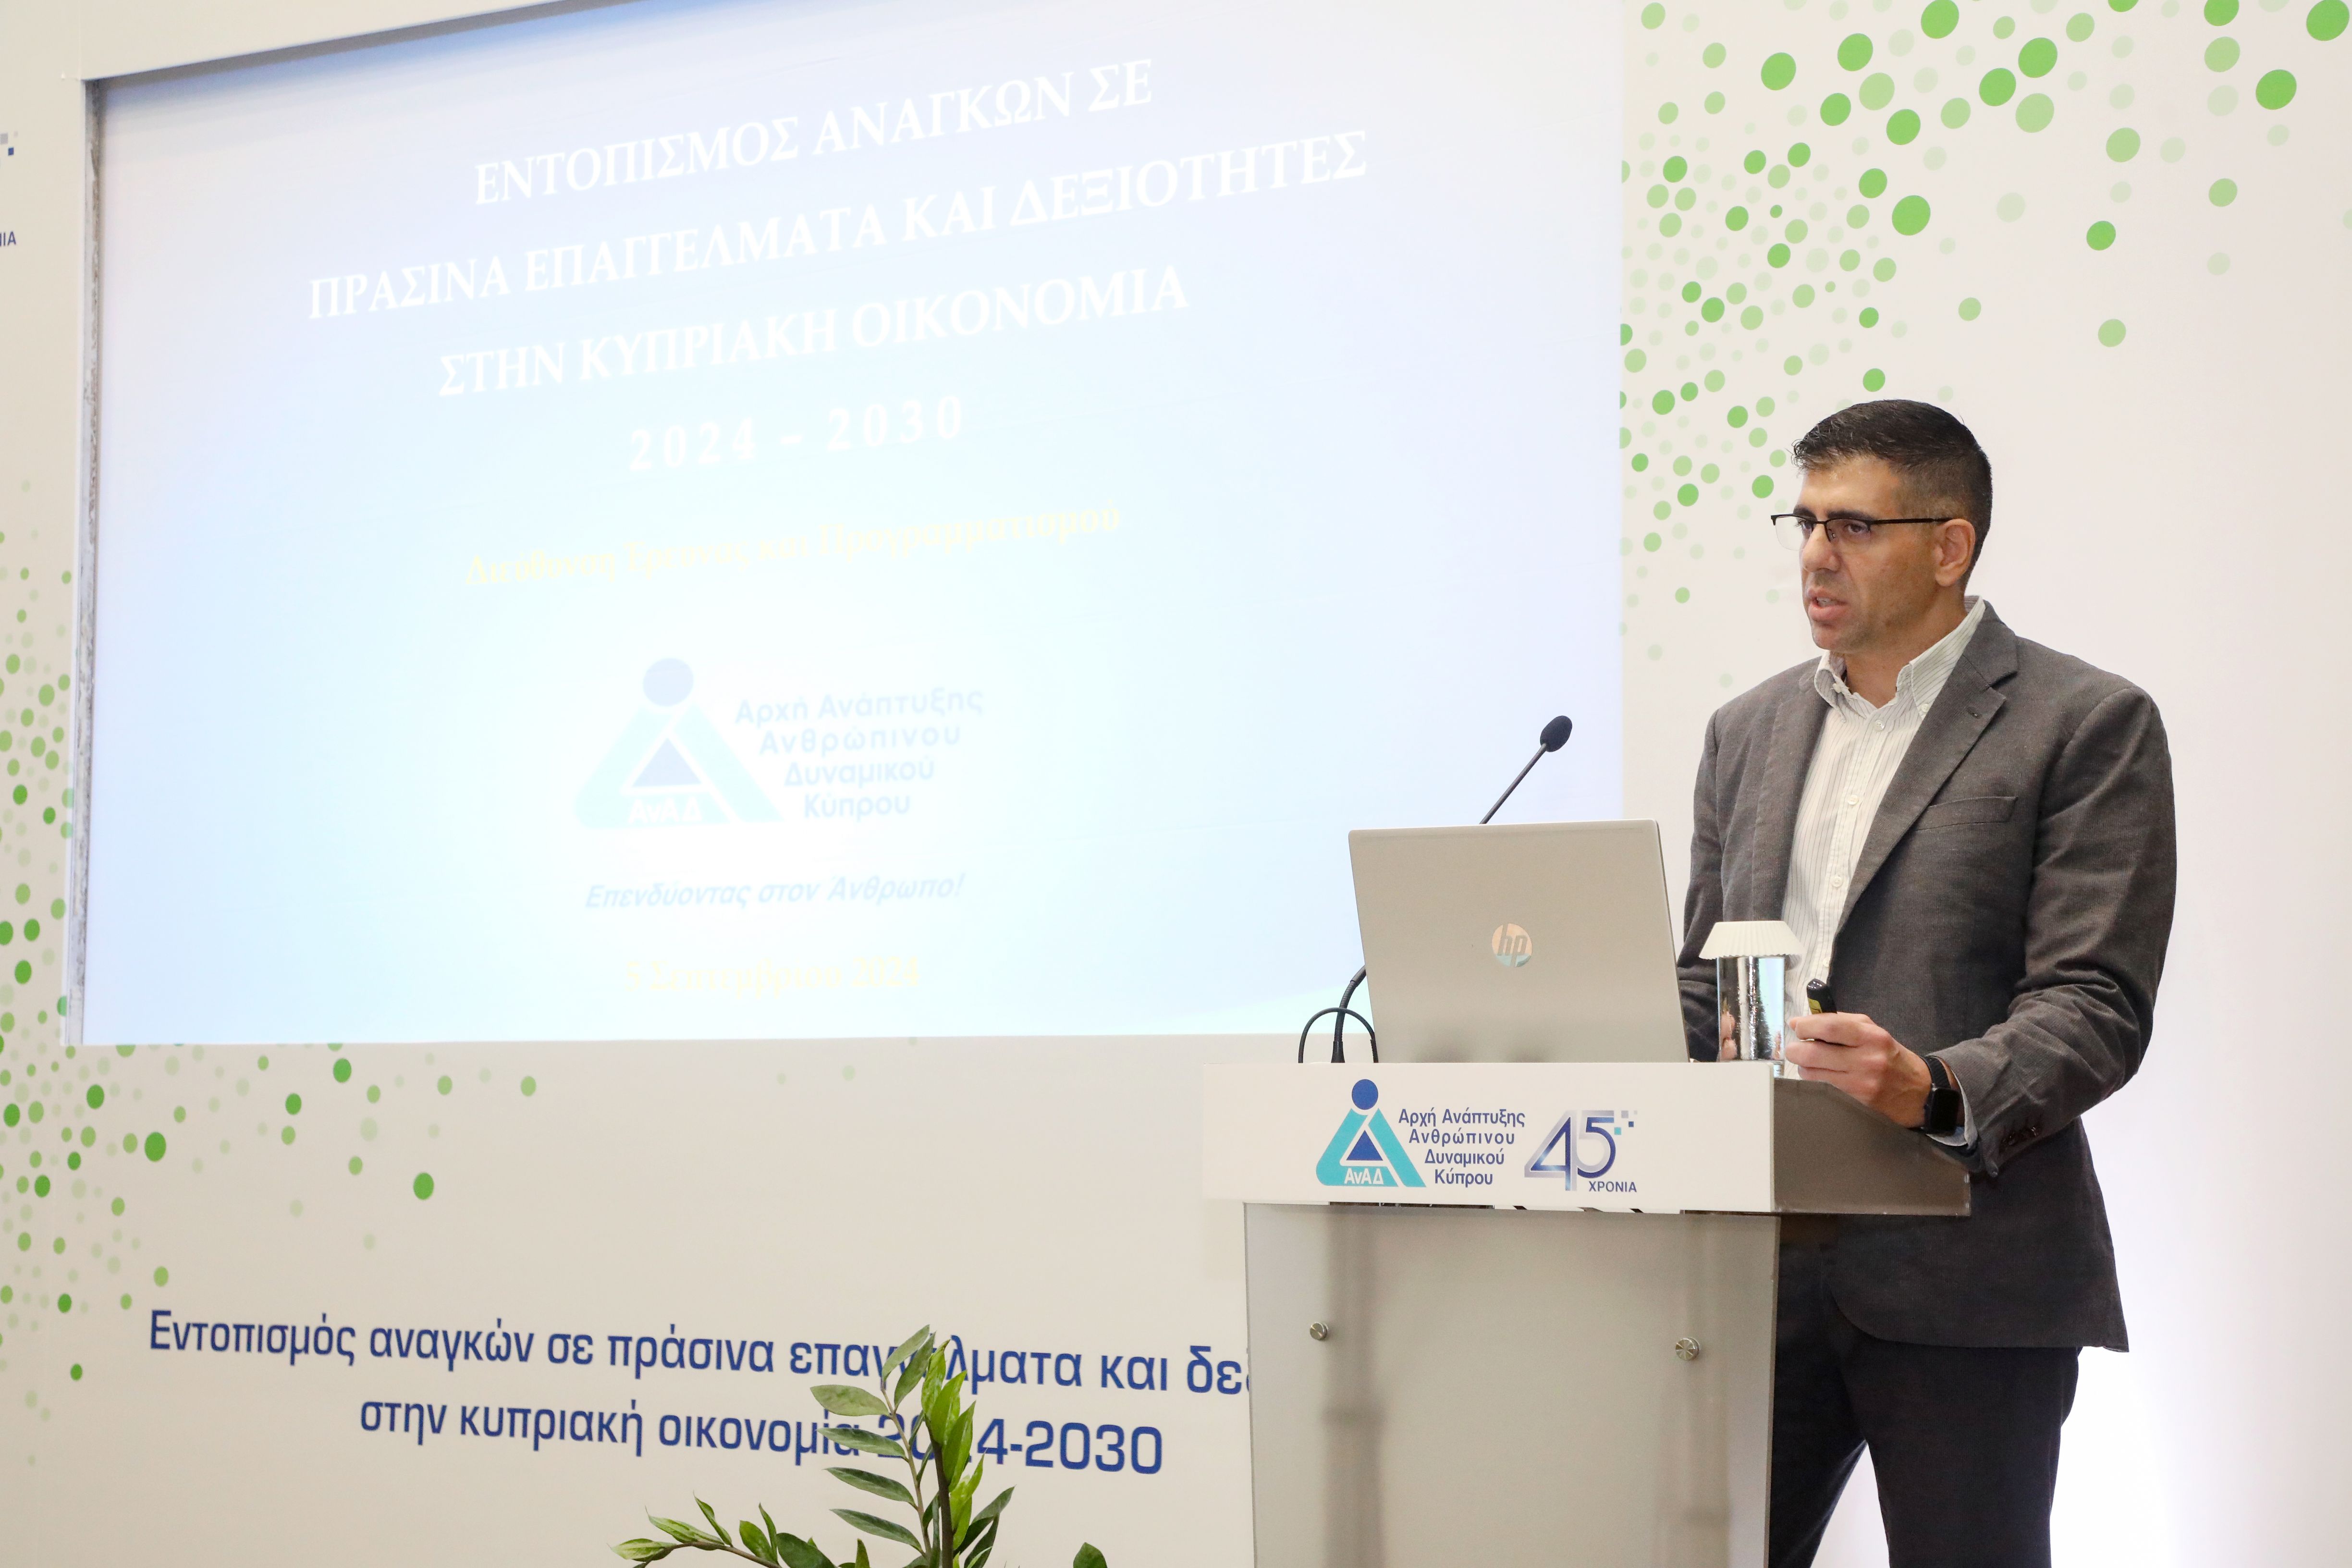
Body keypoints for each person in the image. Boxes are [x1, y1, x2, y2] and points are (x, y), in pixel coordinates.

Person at [1674, 400, 2176, 1568]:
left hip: (1968, 1266)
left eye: (1852, 526)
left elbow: (2095, 1001)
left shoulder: (2083, 723)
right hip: (1752, 1264)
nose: (1815, 554)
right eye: (1805, 522)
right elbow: (1709, 983)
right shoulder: (1745, 731)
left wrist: (1934, 1086)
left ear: (1950, 546)